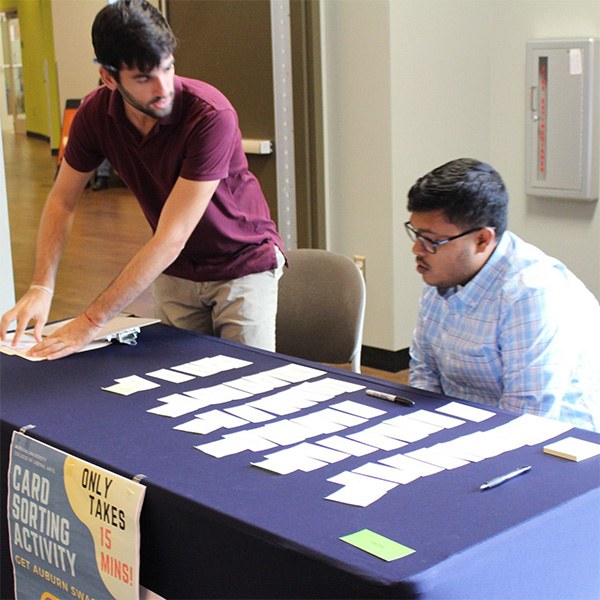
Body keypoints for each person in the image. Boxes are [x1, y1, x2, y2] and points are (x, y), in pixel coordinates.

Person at [1, 0, 285, 359]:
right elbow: (62, 200)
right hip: (175, 272)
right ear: (108, 77)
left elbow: (172, 237)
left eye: (167, 68)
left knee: (246, 388)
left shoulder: (210, 114)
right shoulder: (93, 115)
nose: (163, 86)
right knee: (177, 387)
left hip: (240, 265)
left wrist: (91, 321)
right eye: (143, 77)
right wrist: (41, 286)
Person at [405, 158, 600, 432]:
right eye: (416, 234)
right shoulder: (443, 269)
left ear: (482, 239)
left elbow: (525, 422)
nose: (417, 249)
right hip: (463, 430)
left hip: (553, 449)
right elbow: (424, 369)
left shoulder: (531, 294)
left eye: (432, 240)